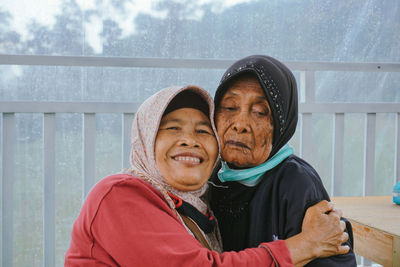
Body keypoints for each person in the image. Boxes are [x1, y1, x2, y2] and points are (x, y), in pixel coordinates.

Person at [65, 85, 349, 266]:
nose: (190, 140)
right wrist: (303, 246)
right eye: (172, 129)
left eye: (203, 131)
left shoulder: (200, 204)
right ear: (146, 139)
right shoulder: (120, 195)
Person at [209, 55, 357, 266]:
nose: (240, 124)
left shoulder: (295, 183)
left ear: (282, 124)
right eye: (230, 107)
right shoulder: (209, 176)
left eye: (260, 112)